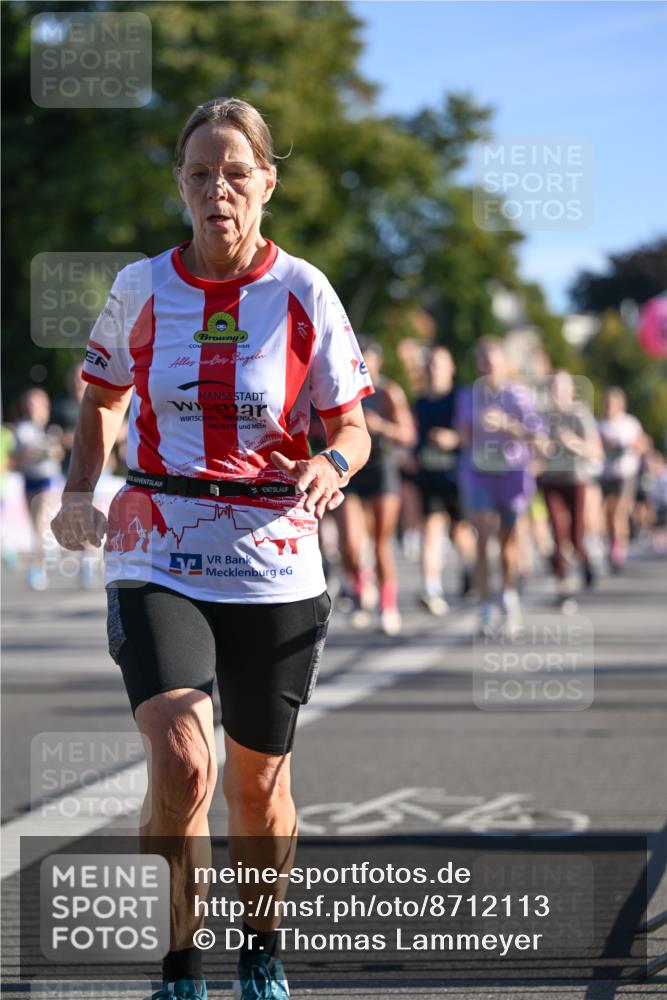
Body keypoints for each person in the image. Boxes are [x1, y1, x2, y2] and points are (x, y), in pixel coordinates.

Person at [51, 97, 372, 1000]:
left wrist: (329, 464)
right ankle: (180, 964)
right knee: (182, 761)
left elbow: (354, 428)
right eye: (199, 174)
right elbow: (104, 397)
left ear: (267, 183)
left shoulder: (303, 291)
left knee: (258, 784)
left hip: (274, 553)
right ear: (181, 187)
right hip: (158, 541)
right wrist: (82, 492)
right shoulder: (141, 288)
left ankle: (259, 945)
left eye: (235, 172)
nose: (216, 190)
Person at [455, 337, 545, 635]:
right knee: (482, 536)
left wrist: (507, 425)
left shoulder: (518, 396)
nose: (488, 367)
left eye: (493, 361)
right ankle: (484, 607)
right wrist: (460, 435)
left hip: (511, 474)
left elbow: (539, 438)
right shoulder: (468, 396)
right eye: (483, 361)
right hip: (478, 472)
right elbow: (463, 436)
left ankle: (508, 597)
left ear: (505, 365)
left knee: (508, 544)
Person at [336, 340, 415, 635]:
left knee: (381, 542)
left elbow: (408, 434)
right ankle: (359, 589)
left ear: (377, 363)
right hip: (351, 469)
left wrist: (380, 426)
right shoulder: (342, 391)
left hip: (382, 467)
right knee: (350, 542)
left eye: (368, 361)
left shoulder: (388, 392)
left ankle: (387, 604)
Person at [413, 346, 473, 615]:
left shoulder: (460, 398)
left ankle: (470, 568)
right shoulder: (420, 403)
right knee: (431, 530)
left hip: (457, 474)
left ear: (451, 369)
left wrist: (453, 439)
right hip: (429, 474)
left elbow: (471, 434)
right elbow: (413, 435)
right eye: (431, 364)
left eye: (439, 364)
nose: (434, 369)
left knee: (460, 532)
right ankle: (432, 589)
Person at [537, 370, 603, 606]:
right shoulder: (543, 416)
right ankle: (563, 588)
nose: (557, 393)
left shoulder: (579, 413)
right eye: (553, 388)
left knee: (576, 535)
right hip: (550, 479)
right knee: (557, 531)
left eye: (561, 388)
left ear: (570, 390)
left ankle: (585, 561)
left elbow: (596, 451)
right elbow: (535, 446)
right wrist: (539, 449)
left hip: (576, 478)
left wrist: (572, 442)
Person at [11, 388, 64, 590]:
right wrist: (42, 451)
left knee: (41, 522)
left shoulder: (52, 426)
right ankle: (40, 564)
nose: (34, 408)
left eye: (38, 404)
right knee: (36, 527)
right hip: (29, 479)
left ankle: (37, 567)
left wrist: (50, 450)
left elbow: (58, 454)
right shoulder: (22, 428)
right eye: (30, 404)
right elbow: (20, 457)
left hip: (47, 480)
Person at [597, 387, 645, 571]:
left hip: (626, 474)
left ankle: (619, 549)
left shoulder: (630, 423)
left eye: (613, 402)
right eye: (607, 402)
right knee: (608, 513)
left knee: (619, 511)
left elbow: (642, 444)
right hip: (606, 474)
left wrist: (631, 446)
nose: (609, 406)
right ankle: (613, 543)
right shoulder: (600, 424)